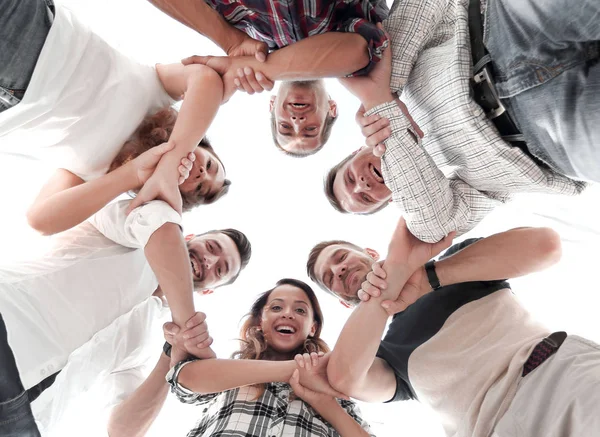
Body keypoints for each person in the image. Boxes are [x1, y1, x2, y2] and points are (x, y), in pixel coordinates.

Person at [324, 0, 593, 243]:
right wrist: (381, 103)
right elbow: (435, 226)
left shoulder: (390, 71)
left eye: (350, 179)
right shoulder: (449, 190)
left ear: (355, 152)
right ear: (393, 199)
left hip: (506, 27)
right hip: (554, 138)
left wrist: (388, 88)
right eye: (365, 198)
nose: (363, 185)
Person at [0, 198, 252, 436]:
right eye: (211, 247)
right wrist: (187, 321)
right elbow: (158, 221)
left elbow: (122, 430)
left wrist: (171, 355)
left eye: (220, 269)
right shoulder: (127, 235)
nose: (209, 260)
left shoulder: (151, 339)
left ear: (209, 290)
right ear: (187, 236)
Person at [327, 219, 600, 436]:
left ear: (371, 253)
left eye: (340, 257)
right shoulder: (385, 356)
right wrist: (386, 286)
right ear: (344, 304)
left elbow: (546, 246)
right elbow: (345, 379)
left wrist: (429, 277)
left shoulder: (456, 262)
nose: (338, 270)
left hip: (557, 378)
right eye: (329, 278)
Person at [0, 0, 234, 233]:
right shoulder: (159, 93)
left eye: (200, 188)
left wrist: (134, 174)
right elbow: (206, 77)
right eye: (211, 166)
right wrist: (173, 157)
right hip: (35, 33)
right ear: (203, 145)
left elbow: (40, 220)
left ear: (179, 192)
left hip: (13, 103)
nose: (203, 174)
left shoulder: (100, 172)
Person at [149, 0, 390, 155]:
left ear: (273, 105)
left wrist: (232, 42)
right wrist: (247, 67)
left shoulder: (238, 28)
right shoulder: (355, 58)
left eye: (285, 126)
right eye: (310, 129)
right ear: (332, 108)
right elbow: (365, 44)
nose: (297, 120)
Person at [165, 278, 374, 436]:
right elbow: (184, 380)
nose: (288, 314)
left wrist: (325, 403)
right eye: (276, 307)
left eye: (300, 310)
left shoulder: (332, 390)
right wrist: (296, 371)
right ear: (259, 321)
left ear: (313, 327)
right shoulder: (231, 372)